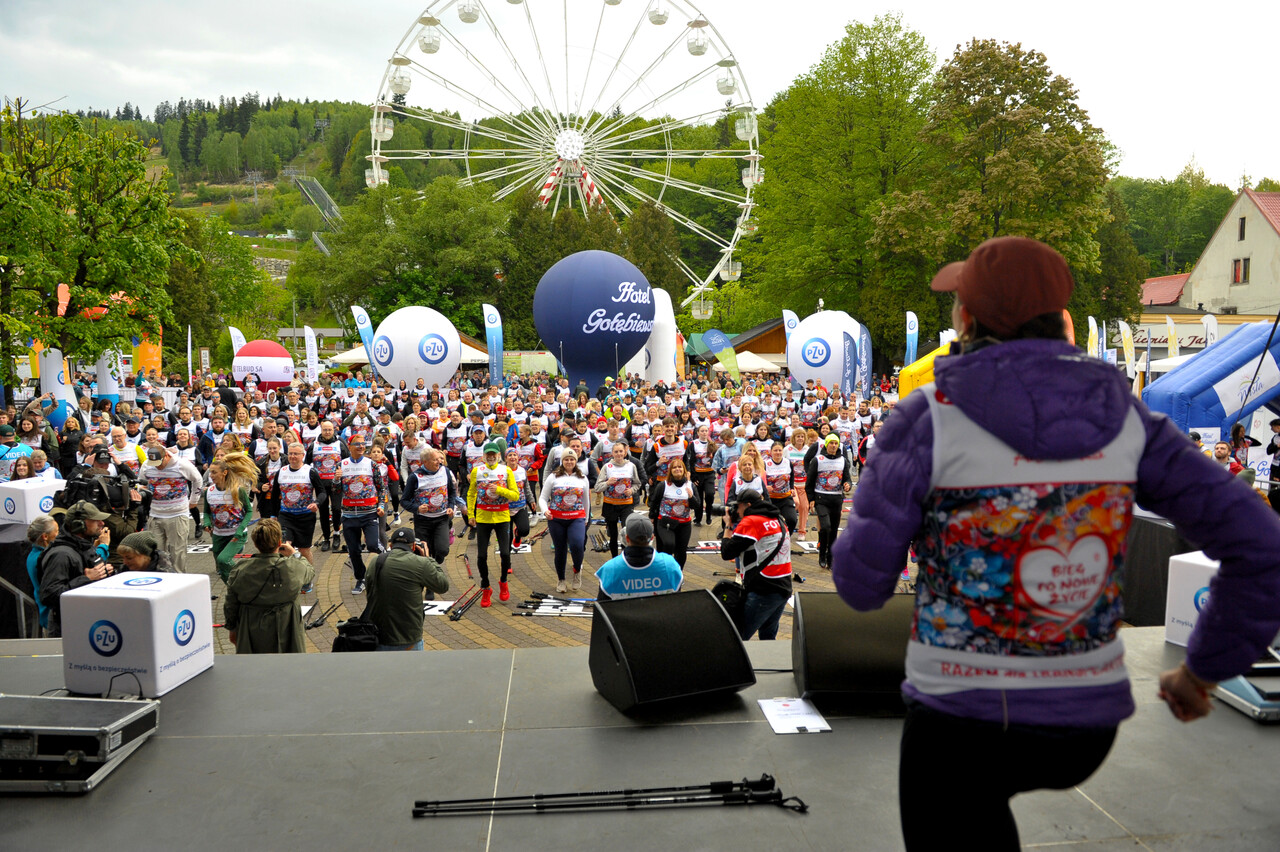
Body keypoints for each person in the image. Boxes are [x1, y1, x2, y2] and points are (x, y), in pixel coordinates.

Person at [831, 235, 1280, 852]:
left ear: (965, 319)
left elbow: (859, 586)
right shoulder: (1130, 420)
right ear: (1064, 323)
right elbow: (1260, 543)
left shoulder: (927, 418)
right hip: (1083, 724)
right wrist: (1203, 671)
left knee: (957, 802)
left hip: (960, 719)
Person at [223, 519, 314, 654]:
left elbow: (230, 603)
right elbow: (309, 571)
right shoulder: (292, 567)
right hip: (287, 627)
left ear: (255, 543)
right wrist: (295, 554)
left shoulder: (241, 569)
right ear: (279, 542)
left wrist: (232, 628)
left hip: (251, 627)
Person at [718, 489, 793, 640]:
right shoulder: (778, 518)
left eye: (738, 506)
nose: (737, 510)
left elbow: (727, 553)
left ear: (748, 505)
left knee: (737, 638)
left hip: (763, 590)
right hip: (783, 587)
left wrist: (728, 526)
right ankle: (768, 663)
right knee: (767, 638)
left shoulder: (752, 521)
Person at [36, 501, 113, 638]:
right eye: (95, 520)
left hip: (86, 622)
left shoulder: (84, 546)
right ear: (79, 525)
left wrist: (106, 573)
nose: (101, 523)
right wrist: (86, 579)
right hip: (67, 628)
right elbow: (49, 595)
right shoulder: (61, 555)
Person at [365, 527, 451, 651]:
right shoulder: (420, 563)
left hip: (379, 636)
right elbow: (443, 586)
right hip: (409, 637)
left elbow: (370, 592)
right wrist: (427, 557)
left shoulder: (375, 561)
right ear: (414, 546)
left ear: (390, 544)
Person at [466, 438, 518, 607]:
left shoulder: (506, 470)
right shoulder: (477, 471)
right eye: (488, 455)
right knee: (481, 555)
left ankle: (503, 582)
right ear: (484, 456)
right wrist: (471, 514)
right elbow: (471, 493)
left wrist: (500, 490)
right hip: (483, 517)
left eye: (493, 454)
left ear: (498, 455)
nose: (490, 457)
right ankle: (486, 587)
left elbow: (515, 495)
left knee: (505, 553)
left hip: (502, 517)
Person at [140, 445, 202, 574]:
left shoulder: (182, 464)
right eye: (154, 464)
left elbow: (198, 479)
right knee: (156, 552)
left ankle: (180, 581)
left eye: (160, 463)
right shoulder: (147, 465)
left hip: (177, 514)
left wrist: (194, 501)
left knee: (177, 553)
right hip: (155, 513)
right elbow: (142, 484)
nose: (158, 466)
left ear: (167, 456)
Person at [538, 448, 590, 594]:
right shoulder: (553, 477)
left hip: (576, 518)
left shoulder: (582, 478)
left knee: (577, 545)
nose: (569, 462)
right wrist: (545, 511)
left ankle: (576, 569)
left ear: (576, 461)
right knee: (560, 551)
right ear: (562, 461)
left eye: (572, 459)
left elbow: (586, 500)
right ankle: (561, 579)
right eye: (566, 459)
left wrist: (586, 518)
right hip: (556, 519)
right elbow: (542, 498)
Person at [339, 433, 385, 594]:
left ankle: (387, 558)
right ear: (350, 446)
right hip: (349, 516)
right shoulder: (342, 464)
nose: (360, 446)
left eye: (362, 444)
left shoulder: (371, 464)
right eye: (356, 444)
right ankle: (361, 578)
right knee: (354, 551)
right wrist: (336, 480)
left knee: (372, 545)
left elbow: (381, 487)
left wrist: (381, 505)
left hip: (369, 513)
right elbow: (335, 490)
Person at [595, 515, 683, 600]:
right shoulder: (670, 565)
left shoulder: (610, 570)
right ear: (652, 537)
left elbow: (601, 609)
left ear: (627, 538)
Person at [271, 441, 324, 579]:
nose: (293, 456)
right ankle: (289, 576)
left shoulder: (310, 471)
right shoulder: (281, 472)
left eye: (296, 454)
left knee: (304, 549)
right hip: (286, 516)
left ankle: (308, 577)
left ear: (303, 455)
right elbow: (275, 495)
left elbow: (322, 492)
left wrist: (316, 503)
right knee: (283, 547)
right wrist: (273, 515)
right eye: (290, 454)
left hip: (305, 517)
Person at [202, 454, 257, 583]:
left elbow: (249, 511)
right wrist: (207, 523)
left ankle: (248, 581)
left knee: (223, 560)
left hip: (236, 535)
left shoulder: (237, 490)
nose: (211, 475)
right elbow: (206, 512)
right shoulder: (208, 491)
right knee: (221, 569)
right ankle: (234, 591)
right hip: (218, 535)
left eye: (214, 473)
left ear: (224, 473)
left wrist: (241, 529)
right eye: (210, 472)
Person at [402, 448, 460, 563]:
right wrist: (417, 508)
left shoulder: (445, 471)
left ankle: (436, 564)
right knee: (423, 553)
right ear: (425, 462)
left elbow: (452, 492)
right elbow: (404, 501)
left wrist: (450, 506)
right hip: (423, 522)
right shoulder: (415, 477)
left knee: (442, 550)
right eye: (435, 460)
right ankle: (431, 572)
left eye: (439, 459)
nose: (439, 462)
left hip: (442, 518)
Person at [805, 434, 851, 569]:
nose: (833, 446)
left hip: (836, 499)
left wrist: (847, 484)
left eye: (836, 444)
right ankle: (822, 554)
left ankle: (831, 557)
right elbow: (810, 482)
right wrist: (811, 499)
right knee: (825, 527)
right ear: (826, 444)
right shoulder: (818, 460)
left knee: (834, 530)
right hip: (821, 498)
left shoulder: (843, 460)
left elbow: (847, 478)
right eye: (831, 443)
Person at [647, 457, 700, 568]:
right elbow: (654, 502)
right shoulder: (663, 485)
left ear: (684, 470)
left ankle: (678, 574)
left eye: (680, 467)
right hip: (665, 522)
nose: (677, 469)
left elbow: (697, 506)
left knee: (681, 551)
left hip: (684, 524)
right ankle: (665, 569)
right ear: (670, 471)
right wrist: (652, 517)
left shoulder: (690, 486)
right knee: (669, 544)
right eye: (674, 467)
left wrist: (691, 496)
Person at [595, 441, 641, 557]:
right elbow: (597, 487)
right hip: (610, 505)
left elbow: (637, 483)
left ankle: (625, 557)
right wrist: (607, 483)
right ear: (612, 453)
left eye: (621, 451)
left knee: (626, 531)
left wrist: (632, 490)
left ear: (625, 452)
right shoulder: (607, 467)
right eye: (616, 451)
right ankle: (615, 558)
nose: (619, 454)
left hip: (626, 504)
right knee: (613, 534)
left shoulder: (631, 466)